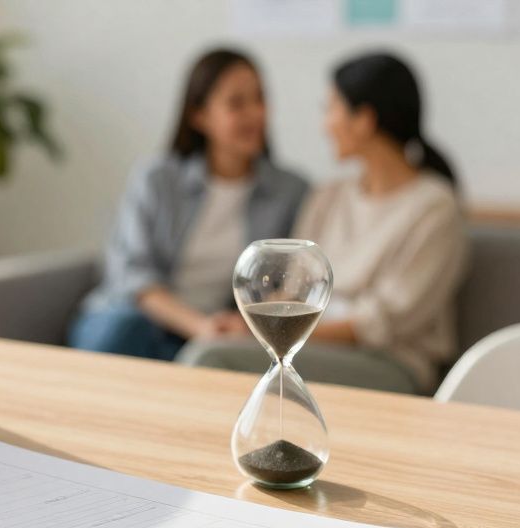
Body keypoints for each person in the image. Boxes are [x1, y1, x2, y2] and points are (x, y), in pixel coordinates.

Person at [186, 51, 469, 394]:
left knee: (210, 358)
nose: (325, 124)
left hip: (390, 363)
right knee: (206, 349)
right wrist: (251, 324)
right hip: (307, 344)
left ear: (363, 119)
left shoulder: (434, 206)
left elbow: (381, 324)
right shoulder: (329, 195)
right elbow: (292, 287)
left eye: (331, 109)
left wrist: (264, 331)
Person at [70, 48, 309, 361]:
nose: (255, 113)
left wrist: (237, 327)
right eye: (237, 103)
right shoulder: (157, 179)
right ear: (199, 115)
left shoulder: (291, 191)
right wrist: (198, 326)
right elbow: (132, 273)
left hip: (217, 334)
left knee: (215, 359)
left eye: (260, 99)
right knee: (126, 331)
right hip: (137, 319)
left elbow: (293, 280)